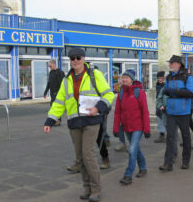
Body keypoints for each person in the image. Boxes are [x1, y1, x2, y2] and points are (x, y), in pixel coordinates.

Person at [44, 48, 114, 202]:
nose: (75, 61)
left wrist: (98, 108)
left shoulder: (94, 74)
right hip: (74, 122)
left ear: (83, 58)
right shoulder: (66, 79)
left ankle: (96, 189)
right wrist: (50, 120)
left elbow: (108, 94)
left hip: (91, 121)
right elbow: (59, 102)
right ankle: (87, 188)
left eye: (78, 57)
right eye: (72, 58)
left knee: (88, 155)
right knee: (80, 158)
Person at [113, 70, 150, 185]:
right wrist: (115, 128)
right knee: (135, 149)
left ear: (132, 79)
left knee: (132, 150)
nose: (124, 80)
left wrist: (147, 129)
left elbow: (145, 111)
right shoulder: (121, 93)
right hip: (126, 126)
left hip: (137, 127)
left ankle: (128, 175)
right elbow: (117, 112)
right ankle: (143, 167)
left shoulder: (139, 92)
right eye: (123, 78)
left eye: (127, 78)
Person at [159, 55, 193, 172]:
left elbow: (191, 93)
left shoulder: (187, 76)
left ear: (178, 64)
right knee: (170, 138)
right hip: (171, 111)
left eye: (172, 63)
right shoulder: (169, 77)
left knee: (186, 137)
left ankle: (186, 161)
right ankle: (167, 163)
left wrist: (172, 92)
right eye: (170, 63)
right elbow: (167, 92)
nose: (170, 65)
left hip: (184, 112)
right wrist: (169, 93)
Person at [43, 59, 65, 126]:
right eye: (49, 66)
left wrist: (61, 93)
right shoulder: (51, 73)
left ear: (54, 64)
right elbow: (49, 83)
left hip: (58, 93)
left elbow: (62, 83)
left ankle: (58, 121)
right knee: (52, 107)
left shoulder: (60, 72)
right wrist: (45, 92)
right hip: (52, 93)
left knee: (57, 106)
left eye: (50, 66)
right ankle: (55, 119)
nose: (50, 67)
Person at [154, 71, 167, 143]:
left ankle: (170, 136)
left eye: (161, 78)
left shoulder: (165, 85)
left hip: (164, 104)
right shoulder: (157, 85)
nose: (160, 80)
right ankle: (161, 135)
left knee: (167, 120)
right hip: (159, 104)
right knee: (159, 120)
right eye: (159, 78)